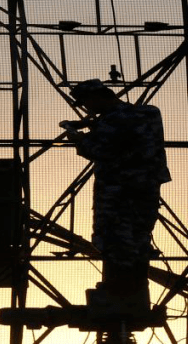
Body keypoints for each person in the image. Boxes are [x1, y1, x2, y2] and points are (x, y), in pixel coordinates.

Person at [60, 79, 170, 316]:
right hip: (147, 188)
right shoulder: (149, 113)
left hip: (118, 189)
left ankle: (119, 290)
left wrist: (79, 139)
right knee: (139, 237)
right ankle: (135, 289)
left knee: (113, 239)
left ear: (97, 97)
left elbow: (101, 151)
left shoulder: (110, 121)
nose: (87, 109)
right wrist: (94, 126)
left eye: (87, 103)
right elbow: (127, 137)